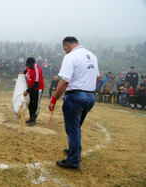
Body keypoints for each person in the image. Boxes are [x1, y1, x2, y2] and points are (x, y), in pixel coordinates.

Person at [48, 36, 99, 169]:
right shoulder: (92, 55)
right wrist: (90, 91)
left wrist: (53, 100)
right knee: (76, 128)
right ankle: (75, 151)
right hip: (90, 97)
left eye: (64, 48)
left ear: (67, 45)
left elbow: (64, 81)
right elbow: (97, 77)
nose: (64, 51)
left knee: (72, 130)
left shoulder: (71, 57)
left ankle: (73, 160)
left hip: (75, 97)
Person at [20, 57, 44, 127]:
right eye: (28, 66)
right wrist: (23, 72)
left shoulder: (37, 70)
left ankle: (33, 120)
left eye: (30, 66)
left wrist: (27, 91)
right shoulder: (29, 66)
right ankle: (30, 118)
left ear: (34, 63)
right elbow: (26, 70)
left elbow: (36, 84)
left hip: (38, 89)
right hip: (31, 88)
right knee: (30, 104)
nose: (29, 67)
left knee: (36, 105)